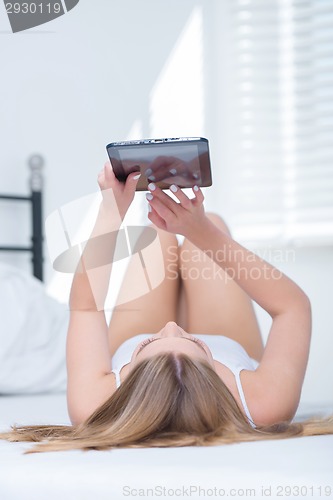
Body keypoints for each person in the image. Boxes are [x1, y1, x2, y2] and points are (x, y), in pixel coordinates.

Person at [1, 162, 332, 453]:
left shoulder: (94, 404)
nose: (173, 326)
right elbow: (293, 307)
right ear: (212, 365)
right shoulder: (264, 403)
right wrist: (201, 231)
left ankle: (158, 343)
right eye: (192, 340)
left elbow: (87, 307)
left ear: (130, 377)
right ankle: (202, 244)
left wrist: (111, 211)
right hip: (227, 340)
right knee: (210, 224)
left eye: (152, 342)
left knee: (157, 234)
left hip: (136, 342)